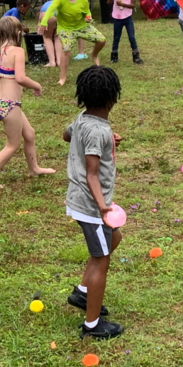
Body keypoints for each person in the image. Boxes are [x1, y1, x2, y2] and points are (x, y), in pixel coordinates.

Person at [62, 65, 124, 339]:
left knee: (114, 239)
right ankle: (92, 325)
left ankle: (82, 293)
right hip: (91, 206)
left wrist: (107, 142)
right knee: (101, 259)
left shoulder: (84, 120)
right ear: (113, 98)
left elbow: (67, 135)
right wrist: (103, 206)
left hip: (81, 202)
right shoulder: (98, 131)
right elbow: (91, 174)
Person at [0, 17, 56, 189]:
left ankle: (34, 168)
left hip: (0, 102)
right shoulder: (18, 51)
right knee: (13, 144)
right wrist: (37, 86)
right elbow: (20, 78)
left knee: (29, 134)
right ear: (18, 32)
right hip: (11, 104)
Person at [38, 0, 107, 86]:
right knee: (66, 50)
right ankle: (62, 78)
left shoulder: (83, 0)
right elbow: (51, 10)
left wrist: (88, 18)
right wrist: (44, 22)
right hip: (65, 29)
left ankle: (94, 54)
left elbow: (87, 13)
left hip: (82, 26)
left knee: (102, 40)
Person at [106, 0, 142, 64]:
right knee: (116, 37)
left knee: (131, 37)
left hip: (127, 17)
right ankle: (114, 56)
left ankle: (136, 56)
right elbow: (108, 2)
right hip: (117, 18)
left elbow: (133, 5)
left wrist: (123, 4)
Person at [38, 0, 63, 68]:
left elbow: (40, 26)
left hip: (48, 13)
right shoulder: (56, 1)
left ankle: (52, 62)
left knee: (47, 37)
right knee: (57, 37)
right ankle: (59, 61)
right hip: (60, 13)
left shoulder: (42, 11)